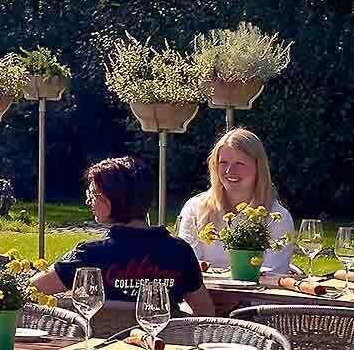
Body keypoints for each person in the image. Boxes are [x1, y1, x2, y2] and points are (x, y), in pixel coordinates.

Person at [37, 154, 212, 312]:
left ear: (112, 199)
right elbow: (205, 314)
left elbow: (29, 290)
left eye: (93, 194)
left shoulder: (89, 256)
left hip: (98, 345)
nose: (88, 201)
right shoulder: (180, 252)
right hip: (161, 345)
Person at [175, 128, 293, 277]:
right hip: (203, 296)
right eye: (223, 162)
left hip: (257, 298)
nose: (230, 170)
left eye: (240, 163)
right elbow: (186, 265)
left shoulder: (277, 217)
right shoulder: (195, 208)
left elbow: (272, 273)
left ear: (258, 167)